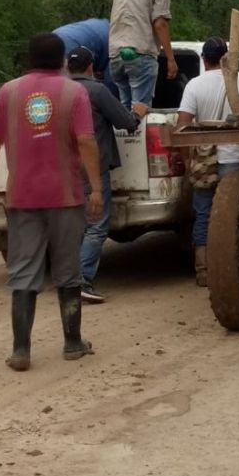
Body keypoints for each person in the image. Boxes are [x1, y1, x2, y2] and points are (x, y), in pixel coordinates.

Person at [0, 33, 103, 372]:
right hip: (65, 197)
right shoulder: (74, 91)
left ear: (29, 58)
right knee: (68, 269)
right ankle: (72, 343)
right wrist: (96, 188)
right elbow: (86, 142)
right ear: (62, 60)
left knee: (23, 271)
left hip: (22, 196)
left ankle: (21, 351)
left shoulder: (9, 91)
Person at [66, 46, 148, 303]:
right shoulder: (97, 90)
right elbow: (126, 122)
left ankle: (68, 278)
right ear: (91, 67)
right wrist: (138, 113)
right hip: (91, 169)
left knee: (75, 225)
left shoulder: (58, 92)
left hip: (62, 170)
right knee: (96, 226)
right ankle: (81, 281)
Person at [176, 37, 239, 286]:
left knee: (204, 215)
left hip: (206, 162)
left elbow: (182, 126)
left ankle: (204, 270)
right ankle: (237, 265)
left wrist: (189, 162)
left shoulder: (194, 86)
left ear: (204, 59)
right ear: (227, 58)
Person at [109, 0, 178, 108]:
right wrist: (170, 59)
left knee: (124, 112)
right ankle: (137, 132)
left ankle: (124, 133)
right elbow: (160, 23)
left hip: (116, 55)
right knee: (139, 112)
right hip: (140, 53)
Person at [53, 17, 117, 96]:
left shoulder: (101, 25)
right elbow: (111, 81)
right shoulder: (113, 39)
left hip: (55, 37)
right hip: (72, 43)